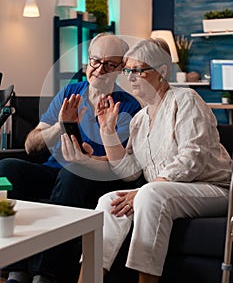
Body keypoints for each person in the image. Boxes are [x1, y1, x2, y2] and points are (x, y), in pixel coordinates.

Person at [63, 38, 232, 283]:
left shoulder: (185, 99)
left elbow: (192, 156)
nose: (130, 77)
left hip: (215, 189)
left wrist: (149, 188)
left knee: (149, 195)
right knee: (109, 200)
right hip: (166, 190)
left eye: (138, 70)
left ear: (161, 72)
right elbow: (130, 170)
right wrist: (107, 131)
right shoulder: (139, 119)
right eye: (127, 70)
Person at [0, 33, 142, 283]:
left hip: (95, 181)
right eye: (95, 61)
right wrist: (61, 126)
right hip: (56, 172)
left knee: (73, 172)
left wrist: (86, 160)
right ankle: (17, 268)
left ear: (121, 68)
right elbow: (32, 147)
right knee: (7, 168)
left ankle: (45, 274)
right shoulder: (70, 92)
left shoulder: (128, 107)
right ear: (88, 62)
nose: (99, 69)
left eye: (109, 64)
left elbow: (121, 166)